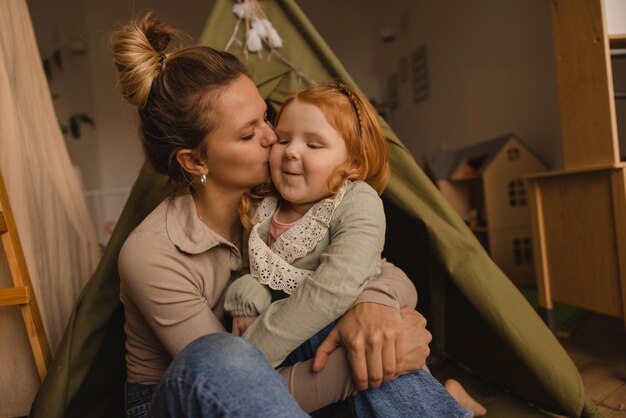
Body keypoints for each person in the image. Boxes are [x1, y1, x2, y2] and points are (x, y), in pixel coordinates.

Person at [112, 12, 435, 418]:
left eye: (266, 116)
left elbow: (377, 270)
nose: (273, 138)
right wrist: (371, 364)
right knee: (221, 355)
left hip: (283, 375)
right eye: (249, 134)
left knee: (367, 327)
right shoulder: (151, 253)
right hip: (187, 400)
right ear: (194, 161)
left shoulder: (283, 198)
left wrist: (372, 308)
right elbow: (232, 383)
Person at [224, 81, 486, 417]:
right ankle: (452, 397)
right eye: (284, 139)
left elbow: (337, 284)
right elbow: (260, 273)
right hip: (298, 352)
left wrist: (254, 354)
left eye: (314, 144)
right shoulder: (264, 209)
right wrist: (248, 294)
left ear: (354, 163)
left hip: (343, 334)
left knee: (376, 367)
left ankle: (450, 409)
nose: (291, 151)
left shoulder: (355, 200)